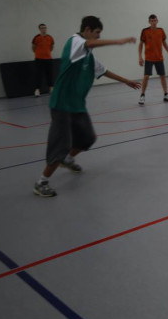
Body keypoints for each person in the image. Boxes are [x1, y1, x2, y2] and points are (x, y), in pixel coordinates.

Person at [33, 16, 141, 197]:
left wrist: (126, 81)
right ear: (87, 30)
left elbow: (103, 71)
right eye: (97, 33)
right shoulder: (75, 42)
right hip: (61, 104)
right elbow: (89, 44)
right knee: (60, 144)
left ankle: (68, 160)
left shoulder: (88, 56)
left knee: (88, 138)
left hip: (77, 105)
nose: (98, 37)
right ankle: (41, 182)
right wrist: (118, 41)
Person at [138, 14, 168, 105]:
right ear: (149, 22)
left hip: (159, 58)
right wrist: (140, 57)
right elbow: (140, 44)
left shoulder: (161, 31)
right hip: (149, 58)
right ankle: (142, 95)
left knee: (162, 76)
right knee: (146, 76)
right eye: (152, 21)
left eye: (155, 20)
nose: (153, 22)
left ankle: (166, 94)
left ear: (157, 21)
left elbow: (164, 43)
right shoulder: (145, 31)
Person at [32, 23, 55, 97]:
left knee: (49, 74)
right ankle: (37, 90)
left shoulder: (50, 37)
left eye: (44, 28)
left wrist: (46, 53)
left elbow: (51, 47)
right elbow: (33, 47)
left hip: (48, 59)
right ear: (39, 29)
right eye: (42, 28)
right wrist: (39, 53)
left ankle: (51, 89)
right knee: (38, 75)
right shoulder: (36, 38)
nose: (43, 29)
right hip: (39, 59)